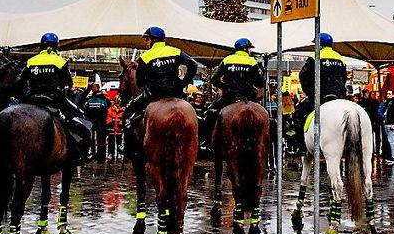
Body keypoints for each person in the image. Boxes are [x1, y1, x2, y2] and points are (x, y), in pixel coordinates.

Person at [122, 26, 199, 159]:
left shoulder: (145, 57)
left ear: (152, 40)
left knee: (128, 115)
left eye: (147, 40)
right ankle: (201, 145)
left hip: (153, 95)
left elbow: (140, 82)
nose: (146, 43)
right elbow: (193, 65)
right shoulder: (175, 51)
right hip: (176, 94)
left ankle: (129, 148)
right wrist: (183, 82)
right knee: (197, 118)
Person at [19, 32, 93, 163]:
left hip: (31, 100)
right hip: (54, 100)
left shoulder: (31, 61)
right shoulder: (60, 61)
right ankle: (81, 154)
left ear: (41, 46)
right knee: (82, 120)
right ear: (56, 46)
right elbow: (68, 84)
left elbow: (20, 83)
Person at [200, 37, 266, 150]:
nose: (250, 51)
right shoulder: (252, 61)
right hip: (249, 98)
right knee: (265, 117)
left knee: (209, 114)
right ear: (245, 49)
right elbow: (261, 83)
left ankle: (208, 142)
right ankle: (266, 145)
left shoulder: (227, 60)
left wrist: (225, 87)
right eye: (249, 48)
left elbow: (214, 79)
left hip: (229, 97)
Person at [292, 32, 347, 155]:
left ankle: (302, 147)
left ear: (319, 44)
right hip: (338, 96)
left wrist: (309, 91)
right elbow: (344, 77)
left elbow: (303, 75)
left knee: (298, 115)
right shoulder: (340, 58)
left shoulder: (315, 56)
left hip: (320, 96)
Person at [83, 83, 110, 161]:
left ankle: (99, 157)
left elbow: (86, 111)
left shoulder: (91, 100)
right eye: (92, 88)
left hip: (97, 122)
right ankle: (97, 157)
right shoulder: (102, 99)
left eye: (94, 87)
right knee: (95, 140)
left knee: (99, 140)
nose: (92, 89)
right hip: (97, 122)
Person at [379, 90, 394, 164]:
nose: (388, 95)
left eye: (389, 94)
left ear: (393, 95)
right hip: (387, 123)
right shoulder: (387, 103)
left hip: (391, 124)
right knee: (390, 140)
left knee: (391, 140)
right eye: (387, 94)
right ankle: (392, 156)